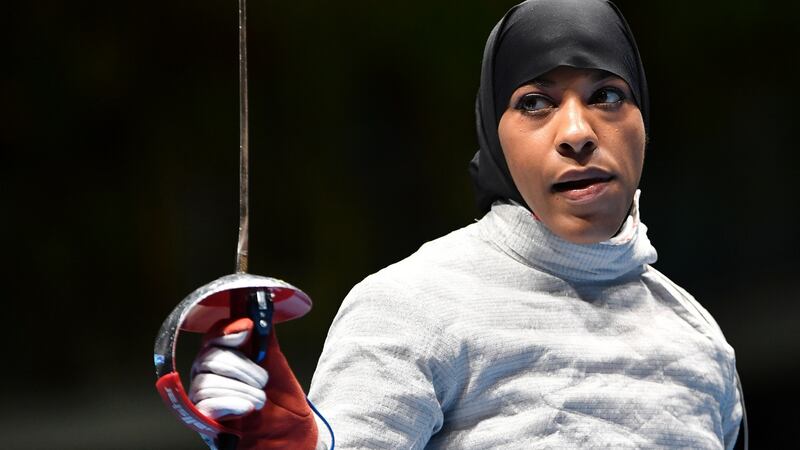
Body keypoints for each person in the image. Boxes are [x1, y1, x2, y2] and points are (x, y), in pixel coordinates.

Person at [189, 0, 745, 448]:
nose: (577, 132)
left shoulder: (698, 343)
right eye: (535, 102)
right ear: (493, 136)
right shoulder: (414, 305)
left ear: (643, 120)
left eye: (606, 95)